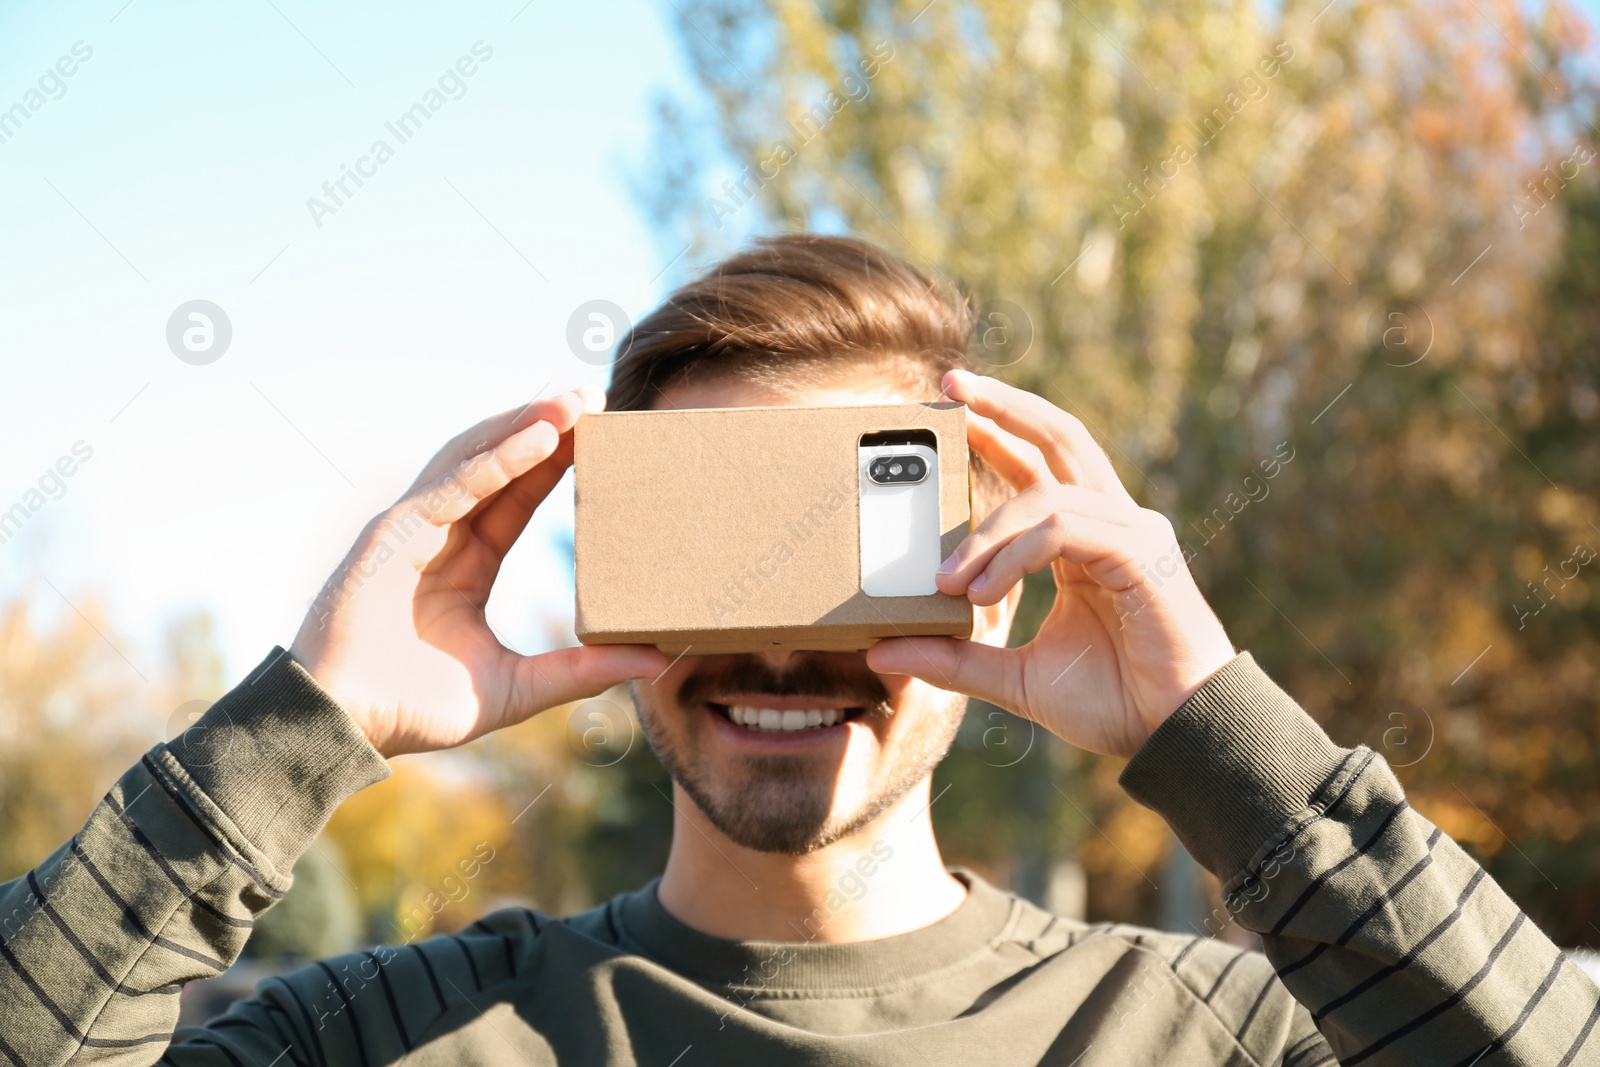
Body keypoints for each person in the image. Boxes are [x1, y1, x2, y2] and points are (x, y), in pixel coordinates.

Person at [1, 236, 1594, 1066]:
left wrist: (1222, 736)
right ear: (613, 573)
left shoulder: (1213, 1039)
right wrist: (301, 726)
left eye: (852, 550)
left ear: (989, 582)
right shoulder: (393, 1038)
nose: (781, 640)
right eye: (716, 543)